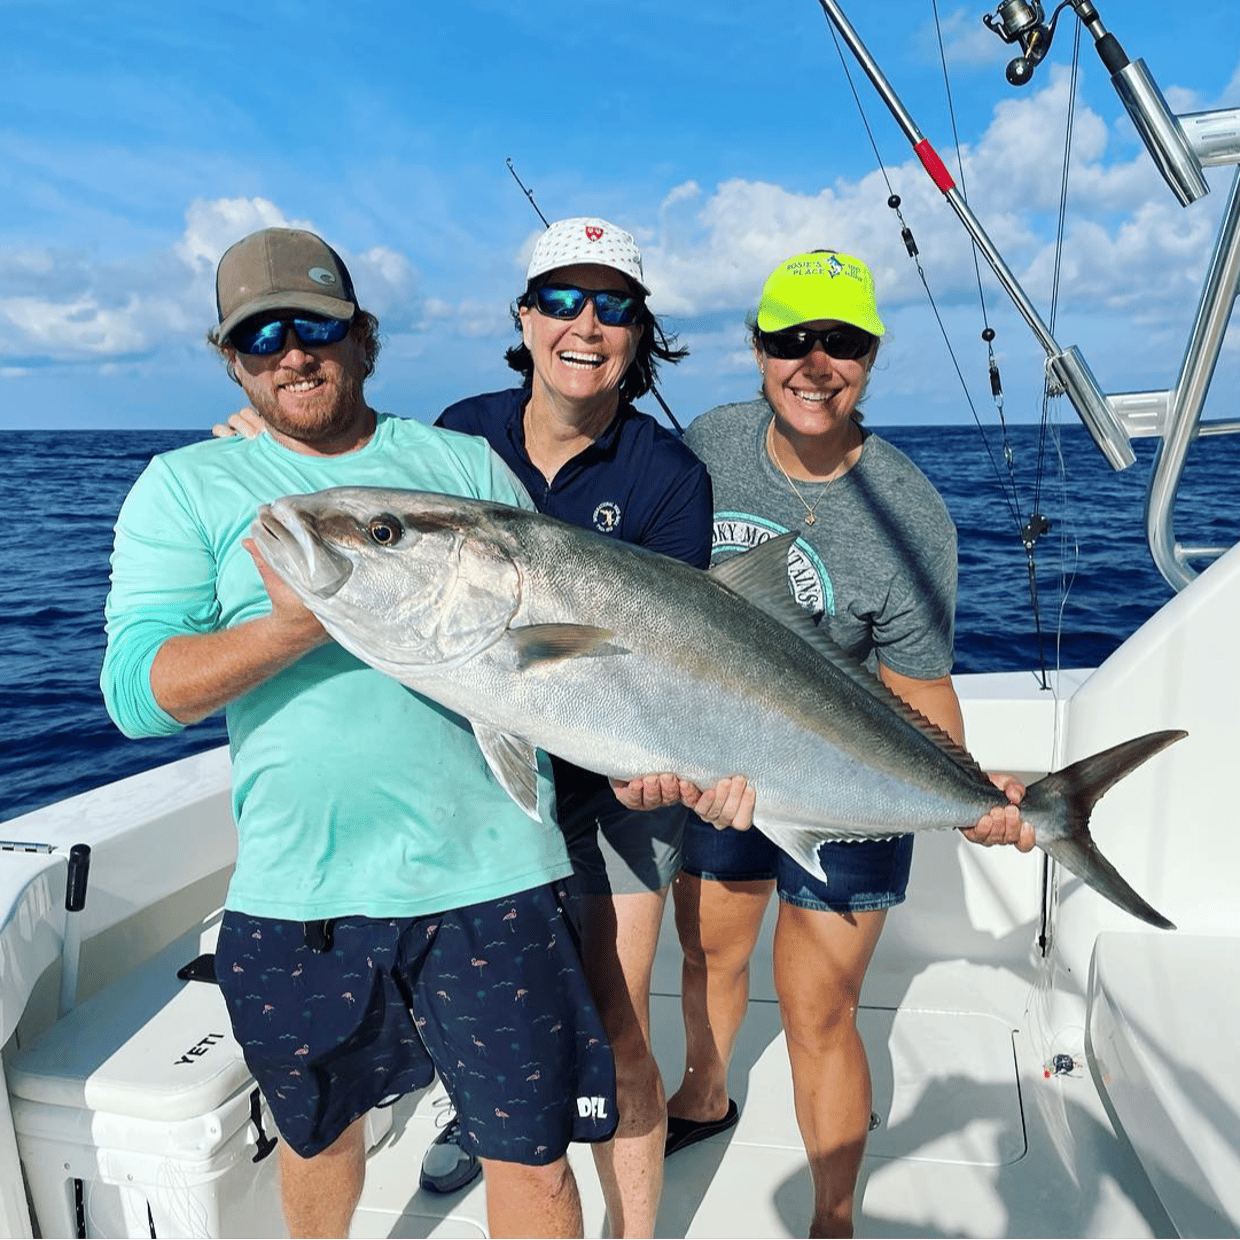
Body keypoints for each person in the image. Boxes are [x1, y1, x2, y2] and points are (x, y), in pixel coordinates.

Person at [101, 226, 616, 1240]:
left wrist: (658, 759)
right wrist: (293, 624)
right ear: (232, 359)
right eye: (261, 337)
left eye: (316, 327)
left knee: (534, 1158)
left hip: (493, 874)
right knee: (317, 1142)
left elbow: (559, 655)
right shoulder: (184, 487)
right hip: (301, 890)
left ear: (363, 337)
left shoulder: (460, 463)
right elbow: (139, 693)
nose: (293, 352)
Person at [215, 217, 713, 1240]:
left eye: (612, 305)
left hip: (616, 786)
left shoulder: (667, 474)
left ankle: (632, 1230)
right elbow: (365, 478)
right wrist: (260, 444)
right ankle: (485, 1125)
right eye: (562, 301)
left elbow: (670, 657)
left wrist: (666, 764)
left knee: (618, 1027)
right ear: (524, 319)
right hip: (488, 794)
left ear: (638, 330)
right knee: (480, 1031)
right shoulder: (460, 431)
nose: (585, 325)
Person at [661, 249, 1033, 1240]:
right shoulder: (707, 442)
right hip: (724, 769)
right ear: (756, 349)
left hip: (846, 774)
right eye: (790, 339)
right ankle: (703, 1094)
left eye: (841, 341)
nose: (813, 361)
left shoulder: (910, 512)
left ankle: (832, 1219)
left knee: (818, 1005)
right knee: (707, 954)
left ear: (869, 356)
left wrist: (972, 797)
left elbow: (916, 682)